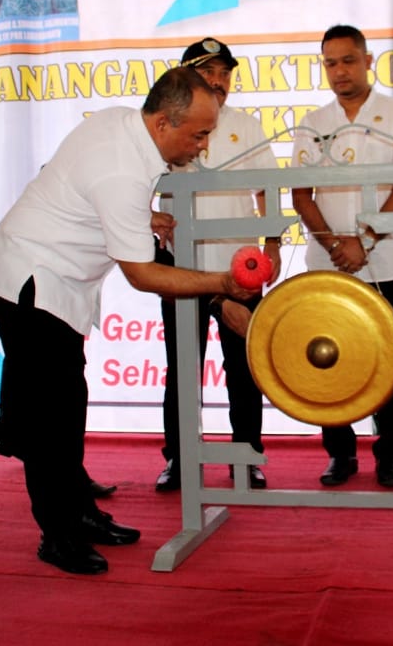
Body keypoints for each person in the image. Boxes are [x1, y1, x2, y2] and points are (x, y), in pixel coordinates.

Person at [0, 67, 257, 575]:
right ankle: (58, 535)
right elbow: (143, 274)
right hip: (31, 281)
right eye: (198, 133)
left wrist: (138, 216)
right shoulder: (122, 170)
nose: (202, 145)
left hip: (59, 280)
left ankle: (80, 514)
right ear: (162, 125)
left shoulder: (122, 125)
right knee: (49, 421)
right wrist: (220, 286)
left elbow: (83, 190)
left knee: (69, 406)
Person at [290, 24, 393, 489]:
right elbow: (301, 193)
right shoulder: (313, 123)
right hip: (328, 262)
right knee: (328, 358)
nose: (339, 70)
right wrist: (334, 244)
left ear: (368, 61)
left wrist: (363, 240)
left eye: (348, 60)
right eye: (330, 63)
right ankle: (340, 454)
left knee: (390, 360)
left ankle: (390, 455)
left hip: (385, 260)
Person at [155, 38, 280, 492]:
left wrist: (273, 244)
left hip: (239, 267)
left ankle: (246, 457)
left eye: (225, 73)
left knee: (244, 367)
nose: (219, 81)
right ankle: (181, 459)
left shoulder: (245, 126)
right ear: (184, 75)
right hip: (181, 267)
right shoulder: (165, 124)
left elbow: (269, 187)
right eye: (209, 72)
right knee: (182, 368)